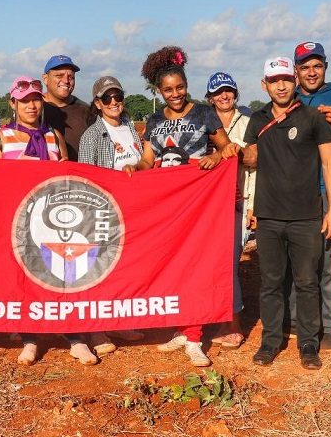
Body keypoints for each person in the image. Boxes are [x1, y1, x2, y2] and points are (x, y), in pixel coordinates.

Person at [0, 76, 98, 366]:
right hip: (18, 221)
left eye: (35, 99)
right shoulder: (1, 138)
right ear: (13, 103)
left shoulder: (54, 137)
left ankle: (75, 337)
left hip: (53, 221)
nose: (31, 106)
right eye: (24, 101)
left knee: (63, 277)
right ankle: (30, 338)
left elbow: (67, 178)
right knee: (23, 280)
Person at [135, 46, 239, 367]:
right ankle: (182, 329)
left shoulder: (204, 114)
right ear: (158, 91)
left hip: (199, 204)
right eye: (168, 90)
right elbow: (148, 161)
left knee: (196, 267)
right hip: (168, 206)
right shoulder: (153, 120)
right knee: (174, 267)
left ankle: (194, 339)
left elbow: (228, 148)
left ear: (186, 85)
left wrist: (215, 155)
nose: (176, 94)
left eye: (180, 87)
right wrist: (134, 169)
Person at [244, 57, 331, 370]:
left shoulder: (312, 117)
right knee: (270, 282)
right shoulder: (257, 119)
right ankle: (270, 341)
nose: (281, 85)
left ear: (296, 80)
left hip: (307, 216)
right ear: (265, 85)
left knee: (306, 282)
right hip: (269, 217)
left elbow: (329, 164)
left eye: (286, 78)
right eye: (274, 80)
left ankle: (309, 345)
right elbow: (251, 162)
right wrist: (230, 150)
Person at [292, 42, 331, 350]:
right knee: (298, 262)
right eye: (305, 67)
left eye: (316, 65)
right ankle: (298, 320)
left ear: (325, 67)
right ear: (296, 71)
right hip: (294, 193)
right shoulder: (288, 100)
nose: (311, 72)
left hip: (326, 190)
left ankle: (330, 325)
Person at [76, 76, 146, 354]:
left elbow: (143, 161)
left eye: (117, 96)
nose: (114, 102)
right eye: (107, 98)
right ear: (97, 103)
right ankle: (96, 330)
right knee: (99, 268)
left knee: (124, 268)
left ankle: (120, 321)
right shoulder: (91, 136)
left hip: (133, 208)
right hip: (104, 210)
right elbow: (85, 177)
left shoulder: (130, 127)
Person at [205, 72, 256, 350]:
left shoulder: (248, 122)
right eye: (218, 92)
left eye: (228, 91)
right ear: (210, 97)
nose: (224, 96)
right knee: (209, 263)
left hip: (239, 199)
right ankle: (207, 317)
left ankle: (233, 324)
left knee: (230, 262)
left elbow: (256, 161)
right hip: (206, 205)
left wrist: (254, 204)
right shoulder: (202, 121)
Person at [42, 55, 92, 159]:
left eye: (71, 77)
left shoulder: (86, 111)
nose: (66, 81)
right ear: (45, 79)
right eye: (59, 76)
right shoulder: (32, 109)